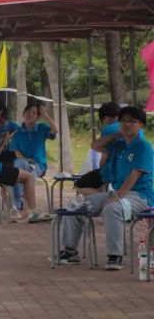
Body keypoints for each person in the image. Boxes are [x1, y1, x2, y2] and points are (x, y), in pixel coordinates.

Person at [57, 105, 154, 270]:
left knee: (112, 208)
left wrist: (117, 196)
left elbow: (134, 175)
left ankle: (115, 256)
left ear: (141, 125)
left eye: (132, 121)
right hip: (118, 192)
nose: (127, 124)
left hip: (140, 196)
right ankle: (70, 251)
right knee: (76, 205)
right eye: (123, 121)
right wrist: (118, 134)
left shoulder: (143, 147)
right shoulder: (119, 145)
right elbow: (95, 146)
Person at [10, 103, 58, 213]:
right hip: (22, 163)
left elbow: (55, 130)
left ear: (38, 117)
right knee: (18, 167)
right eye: (28, 112)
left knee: (19, 172)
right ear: (23, 114)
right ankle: (24, 206)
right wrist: (26, 161)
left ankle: (18, 205)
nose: (30, 115)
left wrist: (45, 115)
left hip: (38, 164)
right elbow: (15, 151)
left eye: (34, 113)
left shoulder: (42, 128)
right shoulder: (17, 132)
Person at [77, 102, 122, 192]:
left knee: (79, 185)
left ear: (106, 118)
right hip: (128, 170)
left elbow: (102, 154)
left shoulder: (109, 129)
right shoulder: (134, 129)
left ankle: (103, 197)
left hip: (112, 172)